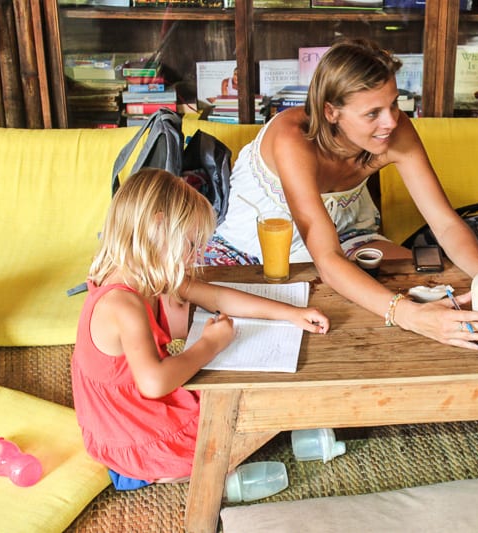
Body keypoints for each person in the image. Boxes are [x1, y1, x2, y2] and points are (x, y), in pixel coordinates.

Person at [209, 38, 478, 350]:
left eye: (394, 103)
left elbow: (444, 223)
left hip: (348, 237)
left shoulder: (396, 128)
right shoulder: (292, 139)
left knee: (434, 293)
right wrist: (408, 316)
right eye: (372, 113)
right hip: (255, 252)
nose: (391, 122)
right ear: (331, 112)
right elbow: (326, 257)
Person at [71, 168, 329, 489]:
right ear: (157, 228)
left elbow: (218, 296)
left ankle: (172, 468)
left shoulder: (147, 272)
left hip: (130, 412)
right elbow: (154, 383)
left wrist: (290, 314)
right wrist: (210, 344)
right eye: (191, 245)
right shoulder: (123, 305)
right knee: (233, 428)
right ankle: (173, 473)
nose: (194, 258)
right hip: (132, 433)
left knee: (237, 403)